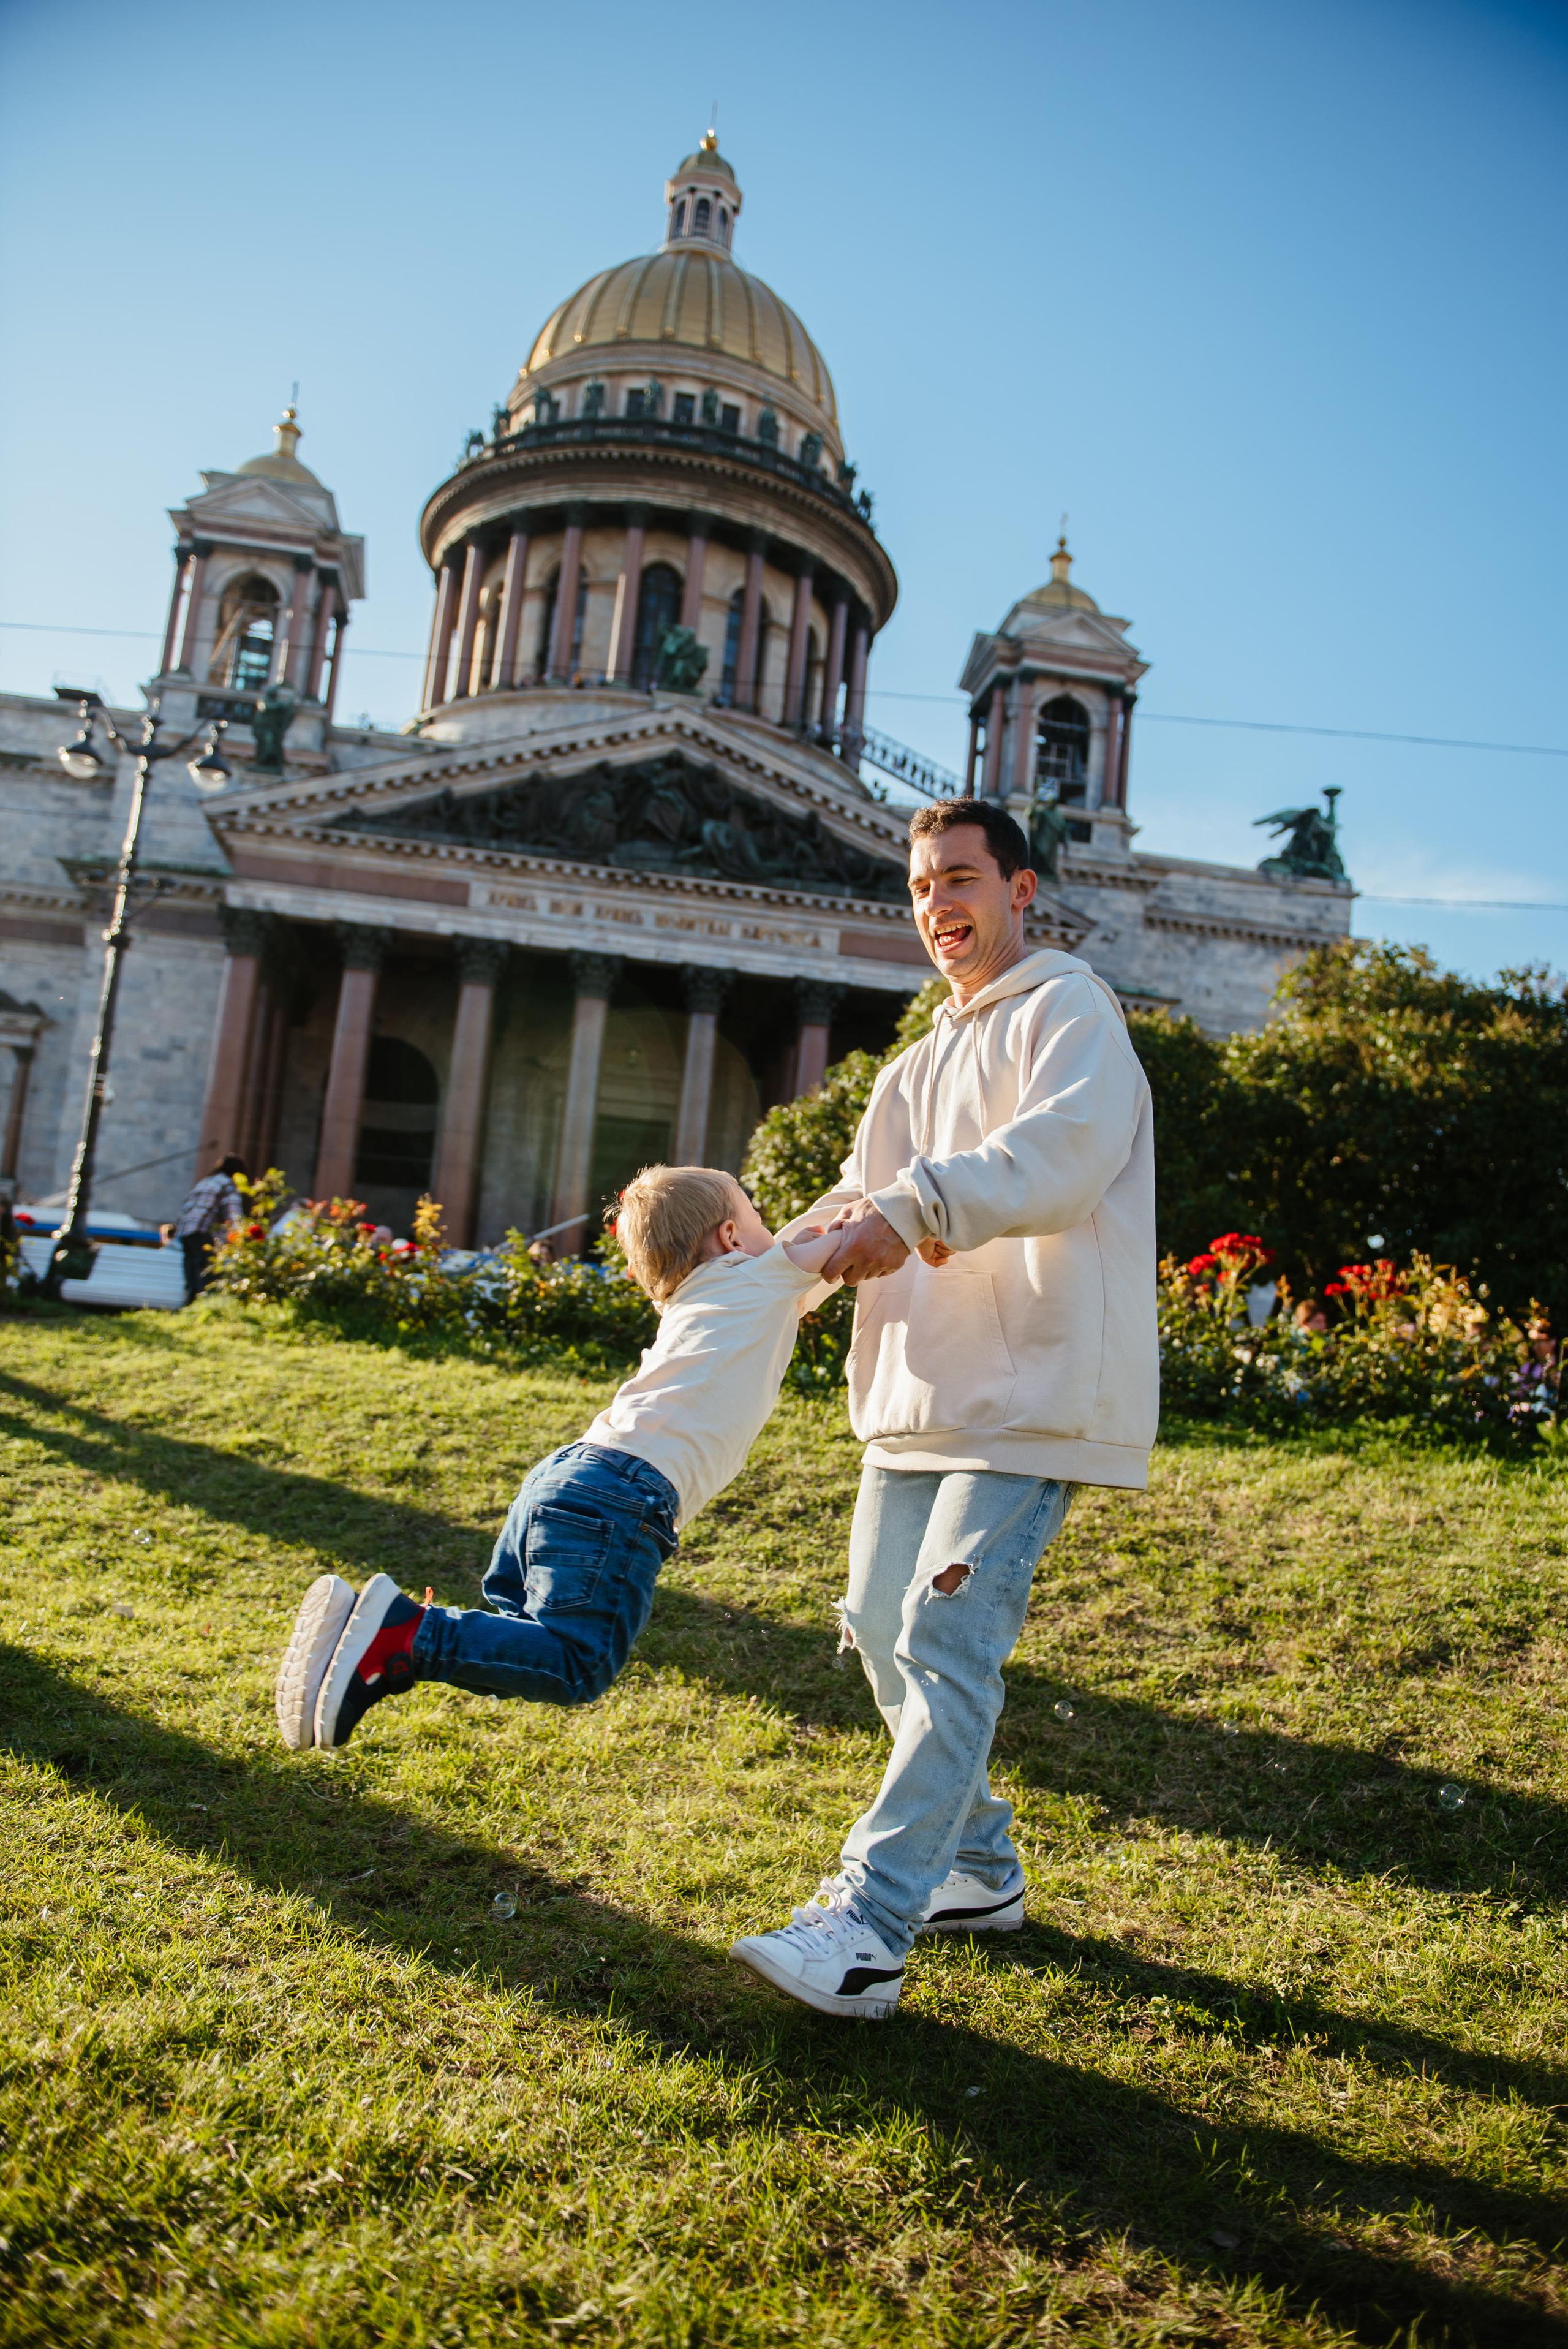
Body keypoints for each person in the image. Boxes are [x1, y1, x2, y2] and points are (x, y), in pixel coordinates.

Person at [729, 797, 1158, 2020]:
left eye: (959, 879)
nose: (936, 907)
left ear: (1019, 892)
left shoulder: (1071, 1012)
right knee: (877, 1624)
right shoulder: (913, 1066)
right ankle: (975, 1864)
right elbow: (852, 1204)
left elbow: (1057, 1157)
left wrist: (904, 1209)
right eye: (919, 888)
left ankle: (868, 1923)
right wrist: (751, 1276)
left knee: (942, 1636)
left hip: (1030, 1392)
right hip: (918, 1396)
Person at [274, 1165, 844, 1752]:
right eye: (759, 1219)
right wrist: (916, 1214)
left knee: (521, 1644)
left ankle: (366, 1650)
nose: (776, 1234)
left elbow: (810, 1257)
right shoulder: (756, 1278)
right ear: (730, 1237)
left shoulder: (701, 1297)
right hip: (625, 1495)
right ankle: (405, 1634)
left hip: (573, 1475)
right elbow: (842, 1238)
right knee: (577, 1664)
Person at [172, 1154, 247, 1301]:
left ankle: (189, 1304)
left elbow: (187, 1205)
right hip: (202, 1230)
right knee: (207, 1271)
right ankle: (205, 1304)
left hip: (186, 1230)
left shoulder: (206, 1181)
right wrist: (242, 1235)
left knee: (192, 1270)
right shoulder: (227, 1184)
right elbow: (234, 1215)